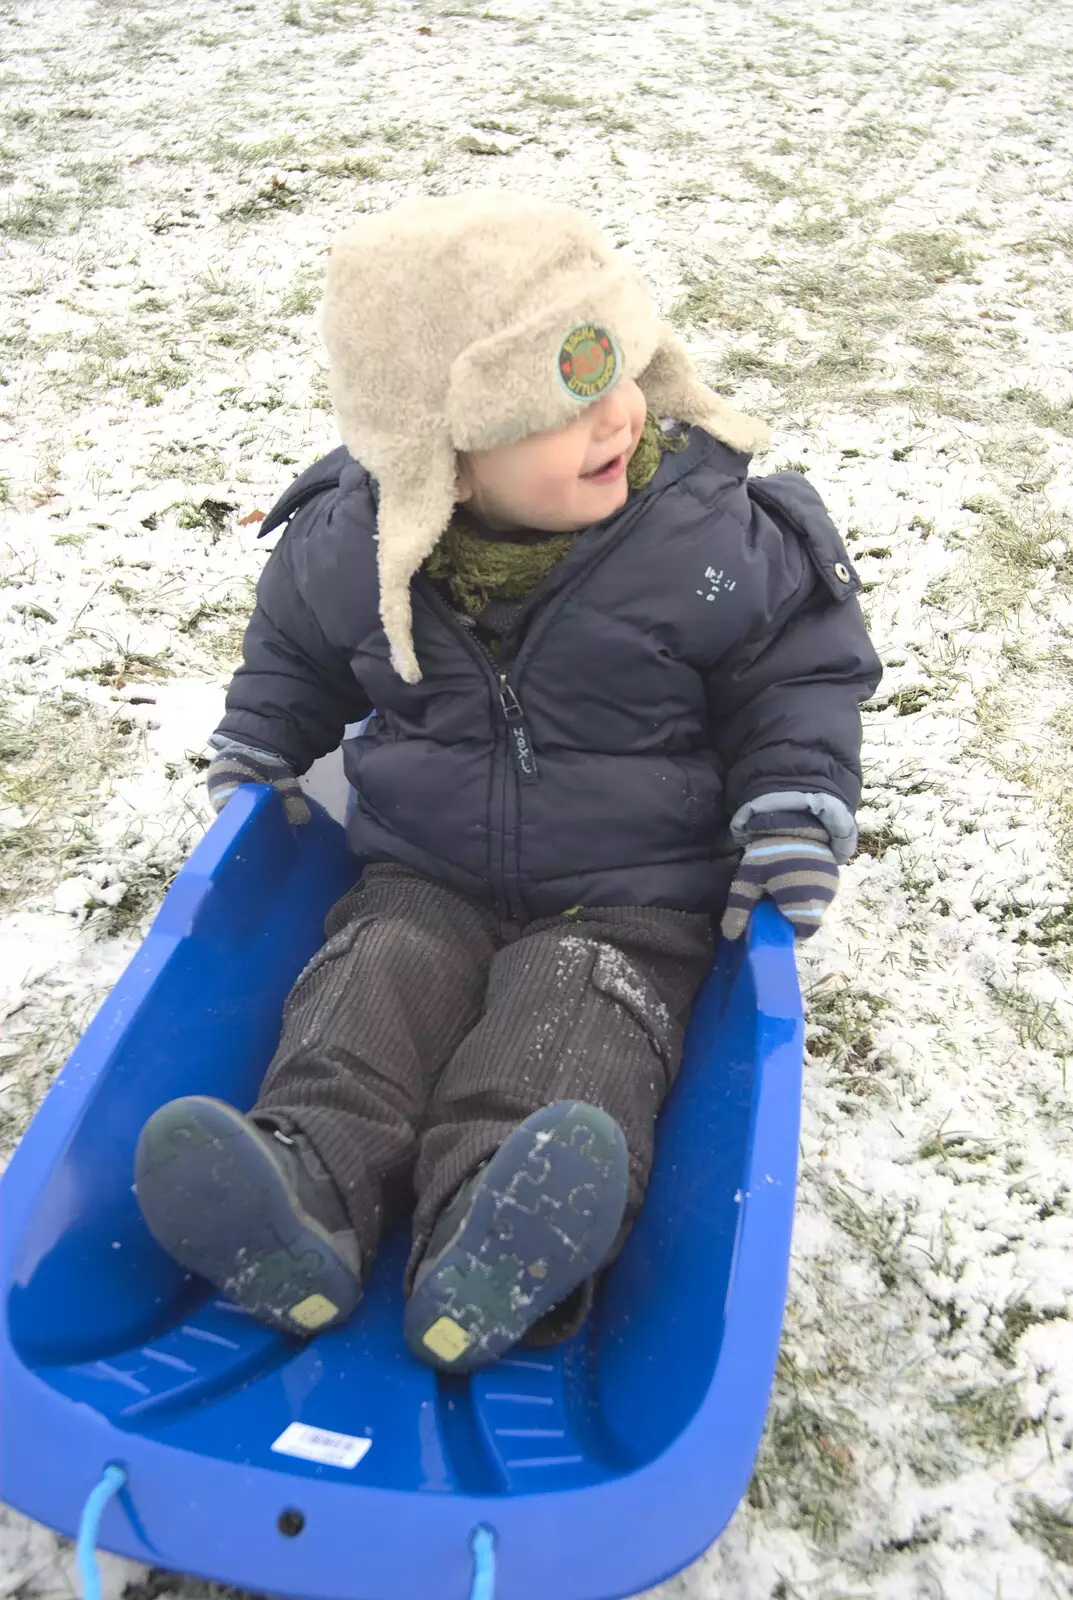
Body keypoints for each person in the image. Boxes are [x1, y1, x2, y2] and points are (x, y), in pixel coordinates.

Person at [134, 189, 881, 1374]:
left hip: (631, 896)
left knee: (568, 1017)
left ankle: (497, 1239)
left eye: (617, 372)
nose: (616, 418)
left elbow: (794, 668)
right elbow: (295, 647)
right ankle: (300, 1191)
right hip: (418, 871)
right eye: (559, 404)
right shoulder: (357, 545)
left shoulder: (703, 540)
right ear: (442, 463)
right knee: (370, 979)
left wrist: (792, 801)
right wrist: (262, 741)